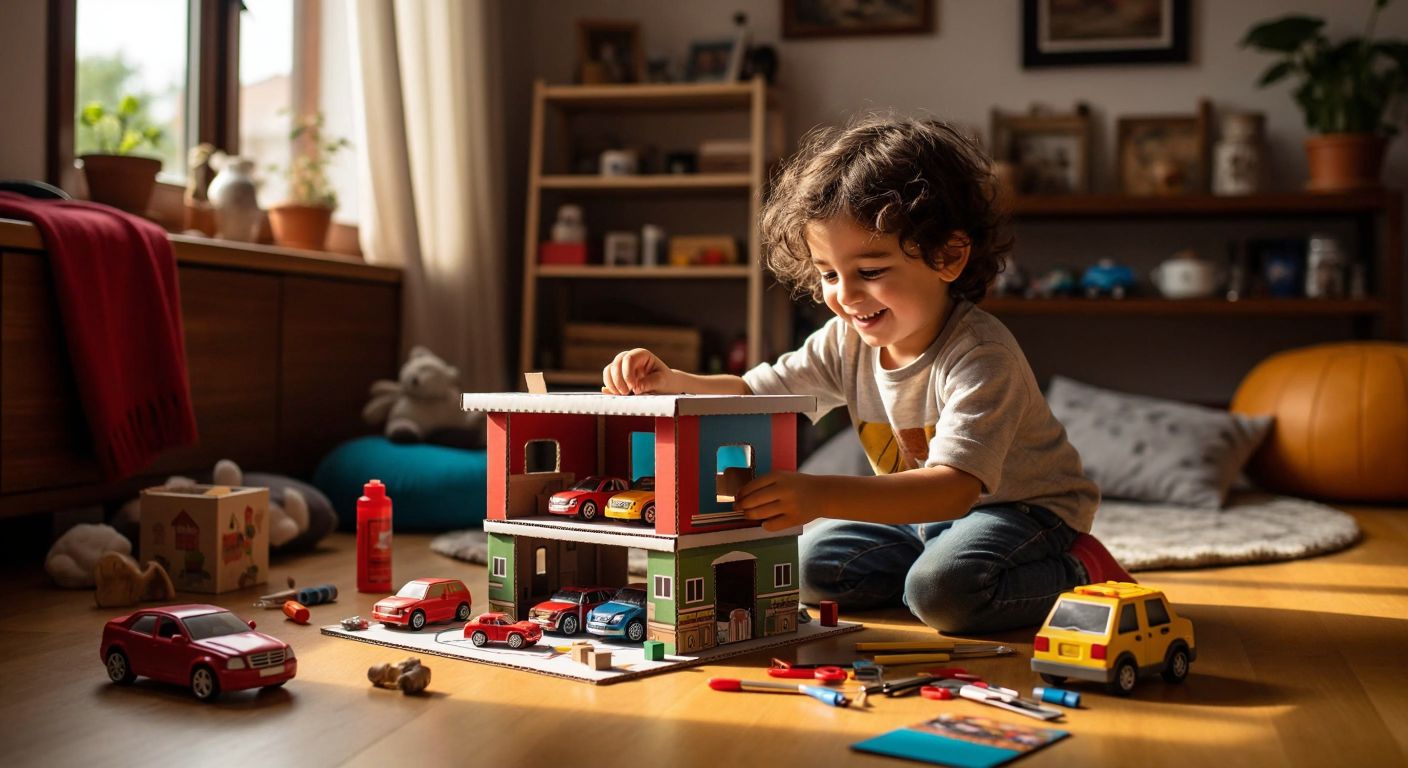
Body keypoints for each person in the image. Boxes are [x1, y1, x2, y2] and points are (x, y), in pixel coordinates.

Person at [601, 115, 1131, 633]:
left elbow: (951, 490)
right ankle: (924, 573)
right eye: (829, 273)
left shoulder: (982, 356)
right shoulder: (845, 340)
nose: (846, 296)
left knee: (944, 593)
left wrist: (820, 495)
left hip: (1022, 512)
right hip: (920, 514)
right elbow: (755, 392)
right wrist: (674, 380)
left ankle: (1082, 568)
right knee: (808, 569)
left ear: (948, 256)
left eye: (871, 272)